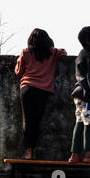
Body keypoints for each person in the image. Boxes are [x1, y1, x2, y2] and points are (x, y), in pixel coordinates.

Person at [15, 28, 66, 160]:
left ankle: (29, 152)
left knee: (28, 120)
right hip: (43, 90)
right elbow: (64, 52)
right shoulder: (52, 53)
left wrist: (18, 62)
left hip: (27, 88)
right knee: (37, 121)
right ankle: (32, 150)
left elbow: (18, 72)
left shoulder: (26, 53)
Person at [68, 26, 90, 163]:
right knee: (89, 124)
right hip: (88, 95)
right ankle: (88, 155)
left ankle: (74, 155)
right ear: (89, 41)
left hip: (78, 95)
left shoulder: (82, 55)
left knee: (79, 123)